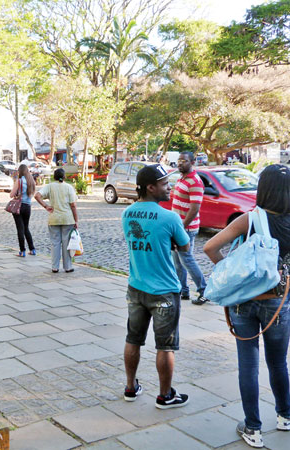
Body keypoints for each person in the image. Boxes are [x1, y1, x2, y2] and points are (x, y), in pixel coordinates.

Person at [204, 164, 290, 448]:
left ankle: (252, 428)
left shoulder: (250, 219)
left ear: (263, 189)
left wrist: (231, 274)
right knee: (278, 362)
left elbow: (209, 247)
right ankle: (285, 416)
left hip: (245, 302)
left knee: (248, 364)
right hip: (280, 303)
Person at [121, 164, 190, 409]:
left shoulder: (127, 213)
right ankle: (164, 396)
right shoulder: (169, 216)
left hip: (136, 287)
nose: (169, 187)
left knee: (133, 338)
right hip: (164, 291)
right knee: (165, 346)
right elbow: (185, 247)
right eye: (164, 183)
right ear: (151, 188)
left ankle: (130, 387)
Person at [171, 152, 208, 305]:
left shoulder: (195, 182)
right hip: (178, 227)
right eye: (179, 160)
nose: (180, 163)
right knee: (177, 261)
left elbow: (194, 209)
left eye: (184, 161)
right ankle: (182, 291)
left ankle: (203, 290)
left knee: (187, 260)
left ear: (192, 162)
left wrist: (181, 227)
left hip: (186, 228)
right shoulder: (182, 178)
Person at [34, 168, 78, 273]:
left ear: (54, 177)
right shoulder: (69, 187)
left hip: (53, 218)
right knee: (67, 243)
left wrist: (46, 206)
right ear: (64, 177)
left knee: (55, 243)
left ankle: (55, 267)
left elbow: (37, 195)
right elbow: (73, 205)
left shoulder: (50, 186)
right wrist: (76, 220)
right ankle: (67, 267)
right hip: (67, 219)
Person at [11, 164, 36, 257]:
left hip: (19, 206)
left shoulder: (19, 181)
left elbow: (11, 194)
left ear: (19, 172)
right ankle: (32, 249)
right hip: (28, 206)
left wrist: (14, 193)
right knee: (26, 228)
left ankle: (22, 251)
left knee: (20, 228)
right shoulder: (31, 181)